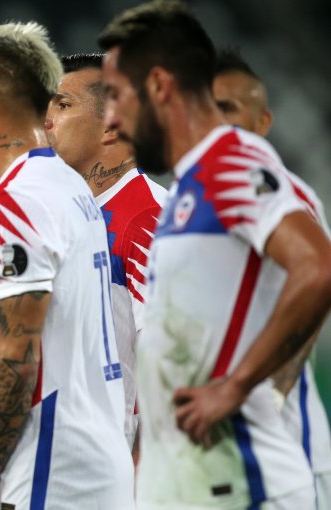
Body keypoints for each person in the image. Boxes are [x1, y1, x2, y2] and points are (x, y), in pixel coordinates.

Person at [98, 1, 331, 508]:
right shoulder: (188, 187)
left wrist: (236, 386)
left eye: (115, 95)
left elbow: (317, 267)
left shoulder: (230, 163)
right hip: (196, 481)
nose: (111, 118)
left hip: (242, 478)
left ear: (159, 85)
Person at [0, 23, 134, 509]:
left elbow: (20, 356)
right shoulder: (71, 190)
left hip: (54, 468)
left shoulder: (16, 204)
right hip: (96, 458)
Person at [212, 48, 331, 509]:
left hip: (284, 447)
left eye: (230, 109)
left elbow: (314, 290)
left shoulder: (284, 194)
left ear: (263, 122)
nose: (217, 124)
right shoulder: (195, 199)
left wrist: (270, 394)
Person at [44, 52, 168, 458]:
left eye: (62, 105)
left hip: (109, 465)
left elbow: (171, 361)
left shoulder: (152, 218)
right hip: (53, 456)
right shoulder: (58, 216)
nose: (46, 119)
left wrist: (141, 472)